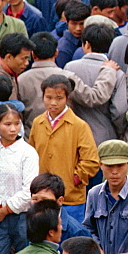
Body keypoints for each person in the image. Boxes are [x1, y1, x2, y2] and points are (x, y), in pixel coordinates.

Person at [27, 74, 100, 223]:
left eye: (59, 98)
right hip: (42, 198)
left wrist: (75, 180)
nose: (53, 103)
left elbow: (91, 161)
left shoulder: (79, 126)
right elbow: (31, 154)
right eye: (48, 97)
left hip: (70, 199)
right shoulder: (38, 122)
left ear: (67, 98)